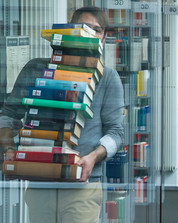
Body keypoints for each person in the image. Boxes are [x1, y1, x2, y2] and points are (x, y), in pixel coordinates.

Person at [0, 6, 124, 223]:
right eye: (85, 27)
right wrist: (10, 148)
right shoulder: (35, 68)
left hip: (81, 185)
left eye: (97, 30)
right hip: (40, 181)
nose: (91, 34)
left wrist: (93, 157)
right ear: (70, 30)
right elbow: (8, 114)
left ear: (103, 37)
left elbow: (116, 132)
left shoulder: (108, 78)